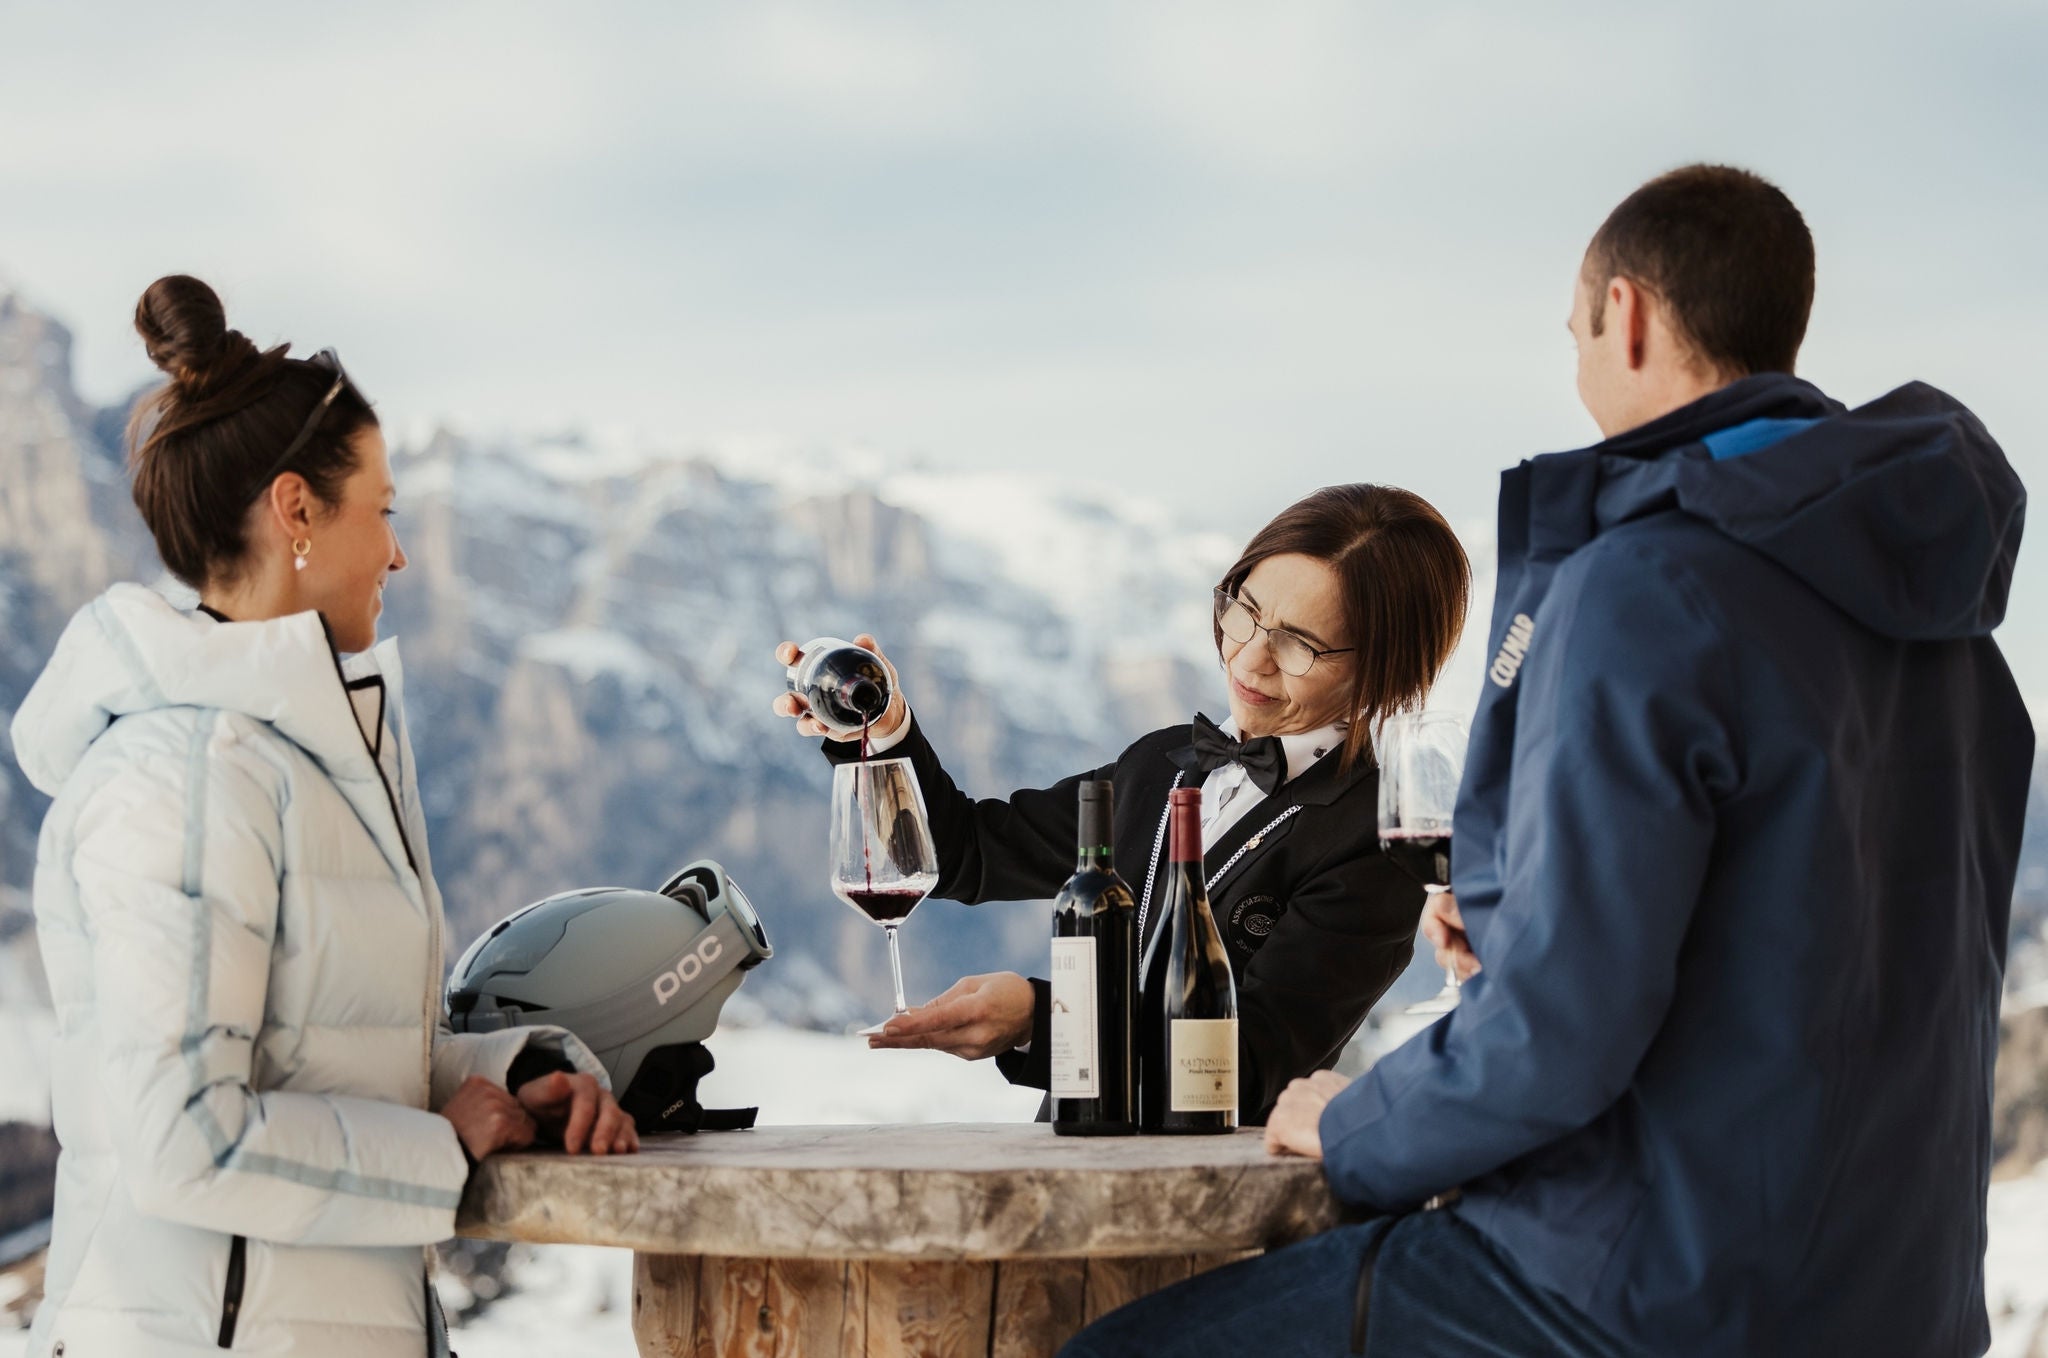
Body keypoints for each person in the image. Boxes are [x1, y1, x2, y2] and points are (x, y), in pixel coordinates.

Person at [1061, 165, 2033, 1357]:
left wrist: (1356, 1121)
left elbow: (1564, 1033)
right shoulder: (1958, 646)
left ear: (1622, 315)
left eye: (1572, 326)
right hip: (1891, 1298)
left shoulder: (1645, 583)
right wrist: (1527, 922)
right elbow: (1807, 946)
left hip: (1635, 1289)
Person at [12, 276, 639, 1358]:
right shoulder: (192, 775)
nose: (398, 553)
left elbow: (313, 1059)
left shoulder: (296, 755)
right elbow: (184, 1138)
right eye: (383, 510)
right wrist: (441, 1146)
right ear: (297, 509)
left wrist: (508, 1077)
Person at [773, 484, 1471, 1123]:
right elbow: (966, 856)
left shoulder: (1372, 838)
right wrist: (885, 731)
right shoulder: (1161, 763)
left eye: (1300, 645)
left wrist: (1042, 1020)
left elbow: (1243, 1065)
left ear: (1384, 666)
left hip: (1194, 1209)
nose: (1250, 658)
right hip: (1069, 1174)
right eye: (1246, 612)